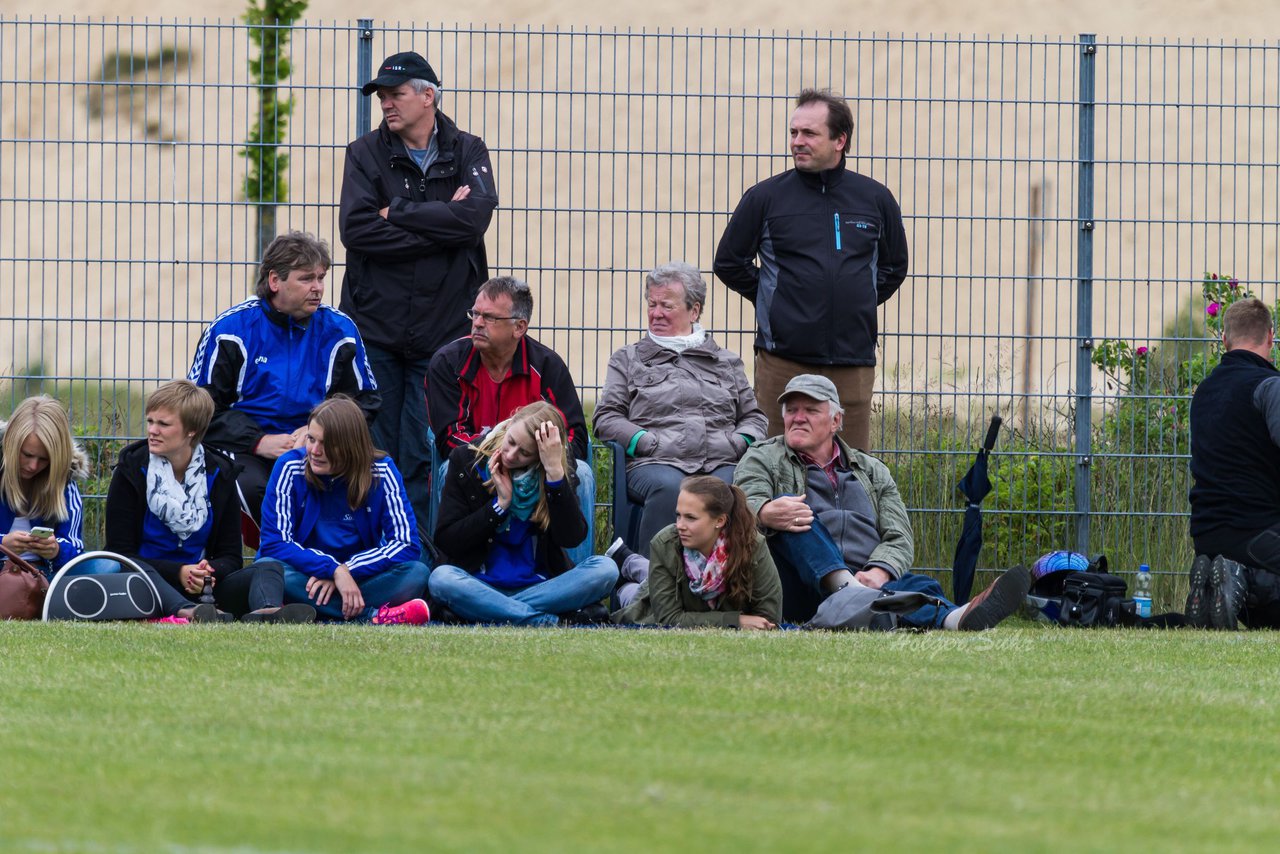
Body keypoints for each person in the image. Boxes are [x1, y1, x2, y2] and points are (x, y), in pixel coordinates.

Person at [340, 50, 498, 529]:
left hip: (443, 333)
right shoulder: (364, 152)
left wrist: (400, 211)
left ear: (428, 96)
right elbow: (358, 230)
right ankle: (382, 550)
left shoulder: (468, 149)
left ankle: (428, 561)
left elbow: (473, 221)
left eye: (396, 94)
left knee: (427, 451)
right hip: (377, 328)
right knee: (376, 451)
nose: (387, 104)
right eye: (382, 96)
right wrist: (439, 221)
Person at [733, 374, 1029, 629]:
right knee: (792, 511)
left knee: (920, 585)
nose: (798, 417)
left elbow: (899, 536)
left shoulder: (872, 470)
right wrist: (766, 511)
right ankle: (853, 594)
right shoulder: (763, 456)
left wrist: (879, 572)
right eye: (791, 409)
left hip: (866, 577)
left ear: (836, 420)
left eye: (810, 410)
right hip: (801, 582)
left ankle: (953, 618)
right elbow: (743, 503)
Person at [713, 88, 910, 448]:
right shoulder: (765, 198)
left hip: (853, 362)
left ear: (840, 140)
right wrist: (779, 298)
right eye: (793, 133)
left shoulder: (875, 199)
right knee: (777, 466)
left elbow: (895, 266)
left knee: (850, 468)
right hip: (783, 362)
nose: (797, 142)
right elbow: (728, 262)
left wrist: (858, 299)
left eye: (809, 133)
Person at [188, 231, 380, 525]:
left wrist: (320, 432)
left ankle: (337, 561)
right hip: (245, 450)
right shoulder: (230, 330)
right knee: (256, 491)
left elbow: (365, 402)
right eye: (306, 279)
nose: (317, 288)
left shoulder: (341, 331)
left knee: (368, 480)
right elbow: (197, 409)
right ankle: (277, 563)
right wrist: (258, 441)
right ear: (275, 281)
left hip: (319, 445)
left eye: (321, 277)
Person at [592, 262, 767, 555]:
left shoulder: (725, 361)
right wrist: (643, 441)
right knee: (673, 490)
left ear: (694, 311)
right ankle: (653, 583)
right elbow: (606, 416)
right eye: (652, 304)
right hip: (655, 462)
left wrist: (738, 442)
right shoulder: (628, 359)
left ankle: (732, 583)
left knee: (733, 490)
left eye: (666, 306)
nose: (656, 313)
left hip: (719, 460)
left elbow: (753, 417)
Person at [105, 380, 315, 623]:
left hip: (203, 590)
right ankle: (187, 612)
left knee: (269, 567)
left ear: (191, 430)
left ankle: (266, 613)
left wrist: (208, 573)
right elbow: (119, 554)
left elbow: (231, 557)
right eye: (151, 421)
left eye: (163, 424)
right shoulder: (131, 470)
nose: (152, 430)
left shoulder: (220, 473)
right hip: (145, 582)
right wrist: (179, 572)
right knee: (134, 569)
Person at [427, 275, 596, 563]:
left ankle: (573, 575)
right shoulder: (447, 363)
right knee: (447, 470)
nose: (477, 323)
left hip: (537, 469)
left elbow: (574, 437)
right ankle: (455, 569)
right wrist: (501, 457)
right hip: (475, 468)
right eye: (475, 313)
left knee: (580, 472)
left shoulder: (547, 365)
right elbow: (449, 439)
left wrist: (532, 462)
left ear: (520, 327)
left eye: (490, 317)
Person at [428, 401, 618, 626]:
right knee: (441, 579)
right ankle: (544, 620)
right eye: (511, 442)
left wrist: (555, 477)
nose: (510, 455)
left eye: (524, 453)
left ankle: (489, 610)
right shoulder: (467, 459)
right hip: (477, 582)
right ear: (511, 422)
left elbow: (572, 537)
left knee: (606, 569)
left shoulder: (554, 469)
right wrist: (500, 505)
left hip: (540, 587)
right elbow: (447, 539)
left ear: (540, 457)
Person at [260, 396, 431, 624]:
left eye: (327, 444)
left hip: (360, 579)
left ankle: (316, 611)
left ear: (351, 446)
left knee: (416, 574)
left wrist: (348, 570)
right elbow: (274, 542)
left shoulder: (382, 471)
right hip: (305, 575)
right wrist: (332, 570)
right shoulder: (289, 466)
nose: (314, 450)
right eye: (311, 439)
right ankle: (371, 616)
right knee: (267, 568)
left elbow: (406, 544)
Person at [1187, 297, 1280, 630]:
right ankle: (1245, 580)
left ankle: (1222, 588)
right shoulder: (1270, 387)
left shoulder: (1204, 394)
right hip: (1260, 535)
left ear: (1224, 339)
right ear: (1271, 335)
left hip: (1207, 539)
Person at [609, 475, 781, 629]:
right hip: (649, 603)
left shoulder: (751, 544)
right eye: (678, 515)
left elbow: (769, 618)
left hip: (665, 587)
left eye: (690, 518)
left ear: (720, 521)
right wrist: (736, 621)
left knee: (648, 579)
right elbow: (668, 619)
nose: (680, 525)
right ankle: (623, 580)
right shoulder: (665, 543)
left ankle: (628, 561)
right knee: (633, 596)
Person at [0, 396, 107, 580]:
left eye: (43, 459)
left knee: (107, 566)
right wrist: (3, 544)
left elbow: (75, 546)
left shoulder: (64, 480)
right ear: (11, 443)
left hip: (44, 576)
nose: (33, 466)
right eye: (27, 454)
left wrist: (55, 550)